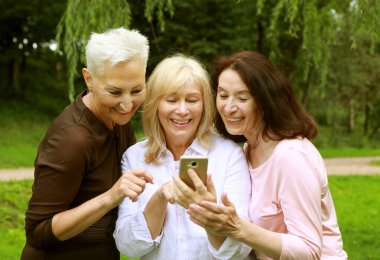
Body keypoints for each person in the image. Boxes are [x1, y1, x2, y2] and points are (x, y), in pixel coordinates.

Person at [186, 51, 348, 260]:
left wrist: (238, 228)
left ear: (265, 100)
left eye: (242, 98)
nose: (229, 107)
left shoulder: (291, 157)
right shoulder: (247, 151)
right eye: (223, 95)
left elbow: (309, 251)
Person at [21, 27, 153, 260]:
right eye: (114, 92)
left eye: (136, 90)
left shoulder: (120, 121)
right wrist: (110, 197)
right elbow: (37, 231)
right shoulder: (72, 139)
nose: (127, 104)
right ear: (89, 78)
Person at [113, 54, 253, 259]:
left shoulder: (229, 155)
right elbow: (128, 247)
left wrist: (207, 213)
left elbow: (240, 250)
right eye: (171, 100)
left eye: (192, 100)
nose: (182, 110)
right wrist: (159, 198)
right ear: (155, 105)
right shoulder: (134, 157)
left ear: (204, 104)